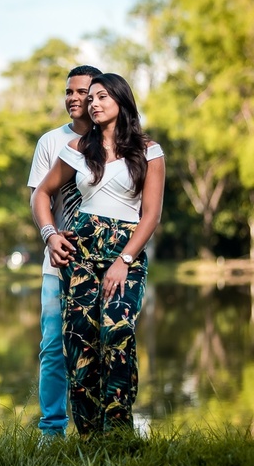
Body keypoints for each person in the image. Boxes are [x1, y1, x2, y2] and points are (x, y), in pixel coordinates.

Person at [31, 72, 164, 435]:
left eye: (102, 96)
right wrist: (50, 234)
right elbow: (41, 194)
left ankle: (118, 432)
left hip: (124, 250)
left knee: (117, 332)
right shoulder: (77, 149)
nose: (93, 103)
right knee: (79, 340)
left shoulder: (148, 150)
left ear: (121, 100)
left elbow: (150, 215)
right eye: (91, 98)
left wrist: (124, 261)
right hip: (82, 251)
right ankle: (89, 438)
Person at [26, 65, 101, 437]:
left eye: (81, 91)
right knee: (54, 348)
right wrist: (50, 236)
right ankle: (51, 432)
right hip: (58, 265)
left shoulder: (117, 142)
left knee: (105, 346)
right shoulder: (51, 142)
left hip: (104, 264)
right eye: (68, 91)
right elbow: (39, 197)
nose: (73, 98)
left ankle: (103, 429)